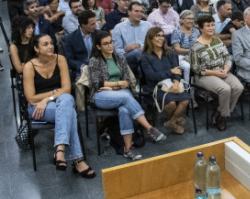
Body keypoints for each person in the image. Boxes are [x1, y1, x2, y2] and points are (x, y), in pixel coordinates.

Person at [22, 34, 95, 178]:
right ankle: (77, 159)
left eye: (51, 43)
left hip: (59, 102)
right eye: (45, 44)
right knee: (70, 111)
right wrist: (52, 95)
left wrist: (47, 98)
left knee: (67, 99)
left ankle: (60, 150)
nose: (51, 46)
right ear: (36, 49)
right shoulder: (29, 66)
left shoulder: (60, 59)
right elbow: (31, 98)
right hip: (37, 108)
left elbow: (67, 89)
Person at [88, 31, 166, 160]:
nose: (110, 46)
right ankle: (149, 128)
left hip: (118, 92)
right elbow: (96, 83)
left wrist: (112, 86)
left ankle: (128, 149)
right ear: (98, 46)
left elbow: (127, 81)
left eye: (111, 42)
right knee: (126, 97)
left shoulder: (119, 57)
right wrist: (118, 84)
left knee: (124, 110)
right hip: (100, 96)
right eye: (105, 44)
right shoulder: (94, 60)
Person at [190, 15, 243, 131]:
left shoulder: (217, 40)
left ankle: (219, 112)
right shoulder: (195, 46)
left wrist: (226, 68)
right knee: (225, 89)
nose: (211, 28)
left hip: (222, 71)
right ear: (201, 29)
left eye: (212, 25)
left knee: (238, 87)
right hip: (205, 75)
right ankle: (223, 117)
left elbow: (227, 57)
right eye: (208, 26)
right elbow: (196, 69)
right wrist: (215, 73)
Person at [141, 27, 191, 134]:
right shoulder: (145, 56)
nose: (161, 38)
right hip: (156, 86)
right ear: (150, 39)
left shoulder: (170, 52)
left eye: (162, 36)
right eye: (157, 36)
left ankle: (171, 122)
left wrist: (177, 83)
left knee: (185, 100)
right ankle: (175, 118)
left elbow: (177, 70)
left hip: (172, 83)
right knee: (171, 104)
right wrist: (170, 72)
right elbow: (151, 76)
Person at [112, 0, 151, 68]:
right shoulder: (119, 28)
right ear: (129, 12)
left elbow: (152, 44)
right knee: (136, 53)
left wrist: (138, 46)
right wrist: (128, 49)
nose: (139, 14)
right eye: (136, 11)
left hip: (146, 55)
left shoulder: (148, 25)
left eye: (141, 11)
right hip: (127, 56)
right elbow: (117, 49)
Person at [65, 9, 97, 78]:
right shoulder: (71, 38)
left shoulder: (99, 34)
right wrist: (82, 66)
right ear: (83, 25)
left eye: (95, 23)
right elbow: (69, 59)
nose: (95, 26)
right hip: (81, 69)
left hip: (98, 66)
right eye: (92, 24)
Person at [171, 10, 200, 85]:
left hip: (195, 55)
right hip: (180, 56)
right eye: (188, 19)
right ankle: (186, 89)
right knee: (187, 66)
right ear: (182, 20)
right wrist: (190, 51)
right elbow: (177, 49)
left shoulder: (196, 31)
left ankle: (198, 90)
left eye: (192, 19)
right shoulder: (177, 32)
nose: (191, 21)